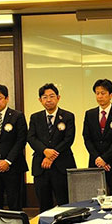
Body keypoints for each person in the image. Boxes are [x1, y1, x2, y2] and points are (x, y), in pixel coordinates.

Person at [27, 83, 75, 211]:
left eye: (52, 96)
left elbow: (68, 139)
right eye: (45, 97)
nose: (48, 100)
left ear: (58, 98)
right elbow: (31, 138)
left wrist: (51, 156)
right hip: (41, 167)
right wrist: (44, 151)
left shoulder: (68, 116)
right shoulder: (35, 117)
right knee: (44, 205)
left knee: (65, 204)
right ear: (40, 100)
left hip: (61, 166)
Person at [82, 79, 112, 196]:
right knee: (96, 197)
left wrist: (105, 159)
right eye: (97, 93)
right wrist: (98, 158)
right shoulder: (89, 114)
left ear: (111, 95)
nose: (100, 96)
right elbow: (86, 138)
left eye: (103, 93)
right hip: (96, 162)